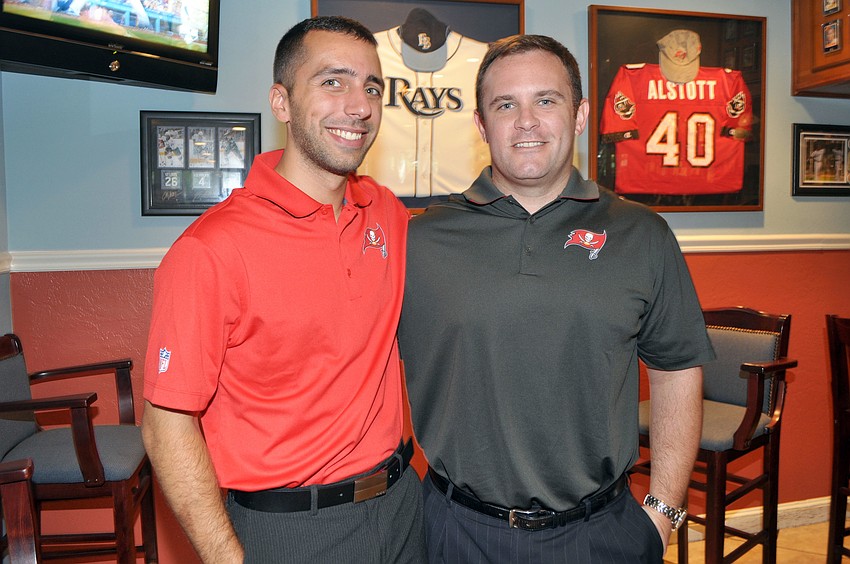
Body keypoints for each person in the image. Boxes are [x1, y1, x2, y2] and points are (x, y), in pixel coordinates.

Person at [398, 34, 714, 563]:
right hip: (457, 532)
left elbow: (677, 370)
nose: (526, 121)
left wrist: (664, 513)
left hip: (601, 534)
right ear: (481, 125)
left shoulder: (642, 234)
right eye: (505, 105)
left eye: (546, 100)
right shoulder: (421, 239)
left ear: (580, 115)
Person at [141, 16, 426, 563]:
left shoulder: (385, 212)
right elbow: (165, 427)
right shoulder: (210, 249)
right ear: (282, 102)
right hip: (292, 530)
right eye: (333, 82)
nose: (359, 106)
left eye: (372, 88)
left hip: (401, 507)